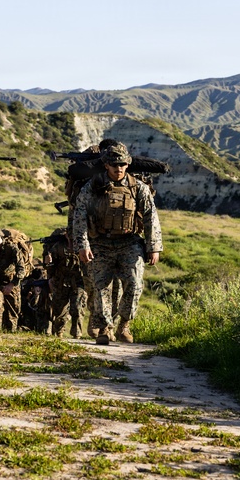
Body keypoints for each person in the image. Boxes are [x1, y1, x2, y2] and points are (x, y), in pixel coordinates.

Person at [72, 143, 162, 345]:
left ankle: (124, 325)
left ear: (127, 165)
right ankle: (104, 328)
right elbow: (80, 217)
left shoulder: (138, 188)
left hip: (129, 242)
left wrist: (153, 246)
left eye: (122, 164)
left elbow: (150, 217)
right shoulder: (92, 187)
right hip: (100, 243)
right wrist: (82, 245)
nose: (118, 168)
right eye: (114, 165)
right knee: (101, 286)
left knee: (134, 283)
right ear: (106, 166)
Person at [42, 227, 87, 338]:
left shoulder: (83, 247)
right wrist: (48, 263)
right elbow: (50, 268)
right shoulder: (58, 248)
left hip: (78, 282)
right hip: (61, 282)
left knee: (77, 307)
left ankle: (77, 333)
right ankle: (59, 332)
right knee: (59, 311)